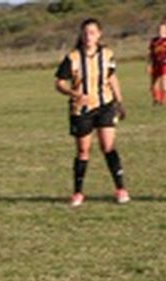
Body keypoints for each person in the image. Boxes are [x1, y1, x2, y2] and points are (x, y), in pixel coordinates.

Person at [55, 18, 128, 207]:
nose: (89, 36)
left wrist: (120, 102)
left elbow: (112, 78)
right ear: (81, 34)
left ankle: (121, 189)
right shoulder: (72, 58)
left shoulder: (107, 55)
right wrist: (73, 93)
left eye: (93, 32)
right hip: (82, 110)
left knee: (108, 146)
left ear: (99, 34)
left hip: (105, 105)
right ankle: (78, 192)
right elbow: (59, 83)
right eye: (86, 32)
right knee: (83, 151)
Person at [149, 22, 166, 106]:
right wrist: (149, 64)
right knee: (154, 82)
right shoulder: (154, 41)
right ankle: (156, 99)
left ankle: (163, 100)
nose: (161, 31)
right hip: (156, 63)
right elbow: (150, 54)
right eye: (160, 29)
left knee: (164, 81)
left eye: (163, 29)